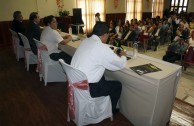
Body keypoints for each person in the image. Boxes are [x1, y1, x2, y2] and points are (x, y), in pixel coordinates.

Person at [71, 22, 127, 115]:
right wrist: (123, 56)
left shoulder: (85, 41)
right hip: (89, 89)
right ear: (105, 35)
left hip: (76, 82)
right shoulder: (101, 47)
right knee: (117, 85)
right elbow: (120, 64)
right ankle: (111, 110)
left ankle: (101, 105)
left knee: (102, 75)